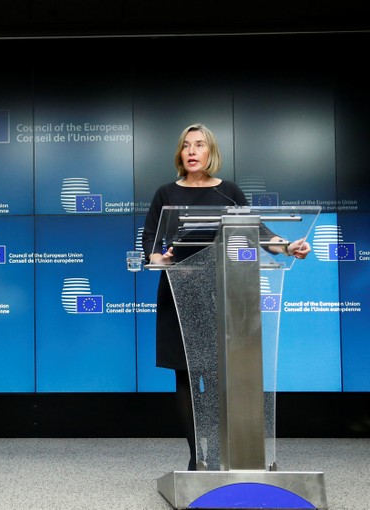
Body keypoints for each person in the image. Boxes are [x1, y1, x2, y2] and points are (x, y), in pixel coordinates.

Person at [141, 123, 311, 471]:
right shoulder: (165, 194)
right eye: (186, 145)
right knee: (186, 375)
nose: (191, 151)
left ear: (210, 152)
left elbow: (258, 231)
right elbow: (149, 241)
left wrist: (288, 246)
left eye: (199, 145)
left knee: (219, 376)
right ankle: (195, 457)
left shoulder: (229, 192)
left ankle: (218, 452)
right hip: (178, 293)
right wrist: (157, 258)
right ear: (180, 153)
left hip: (221, 294)